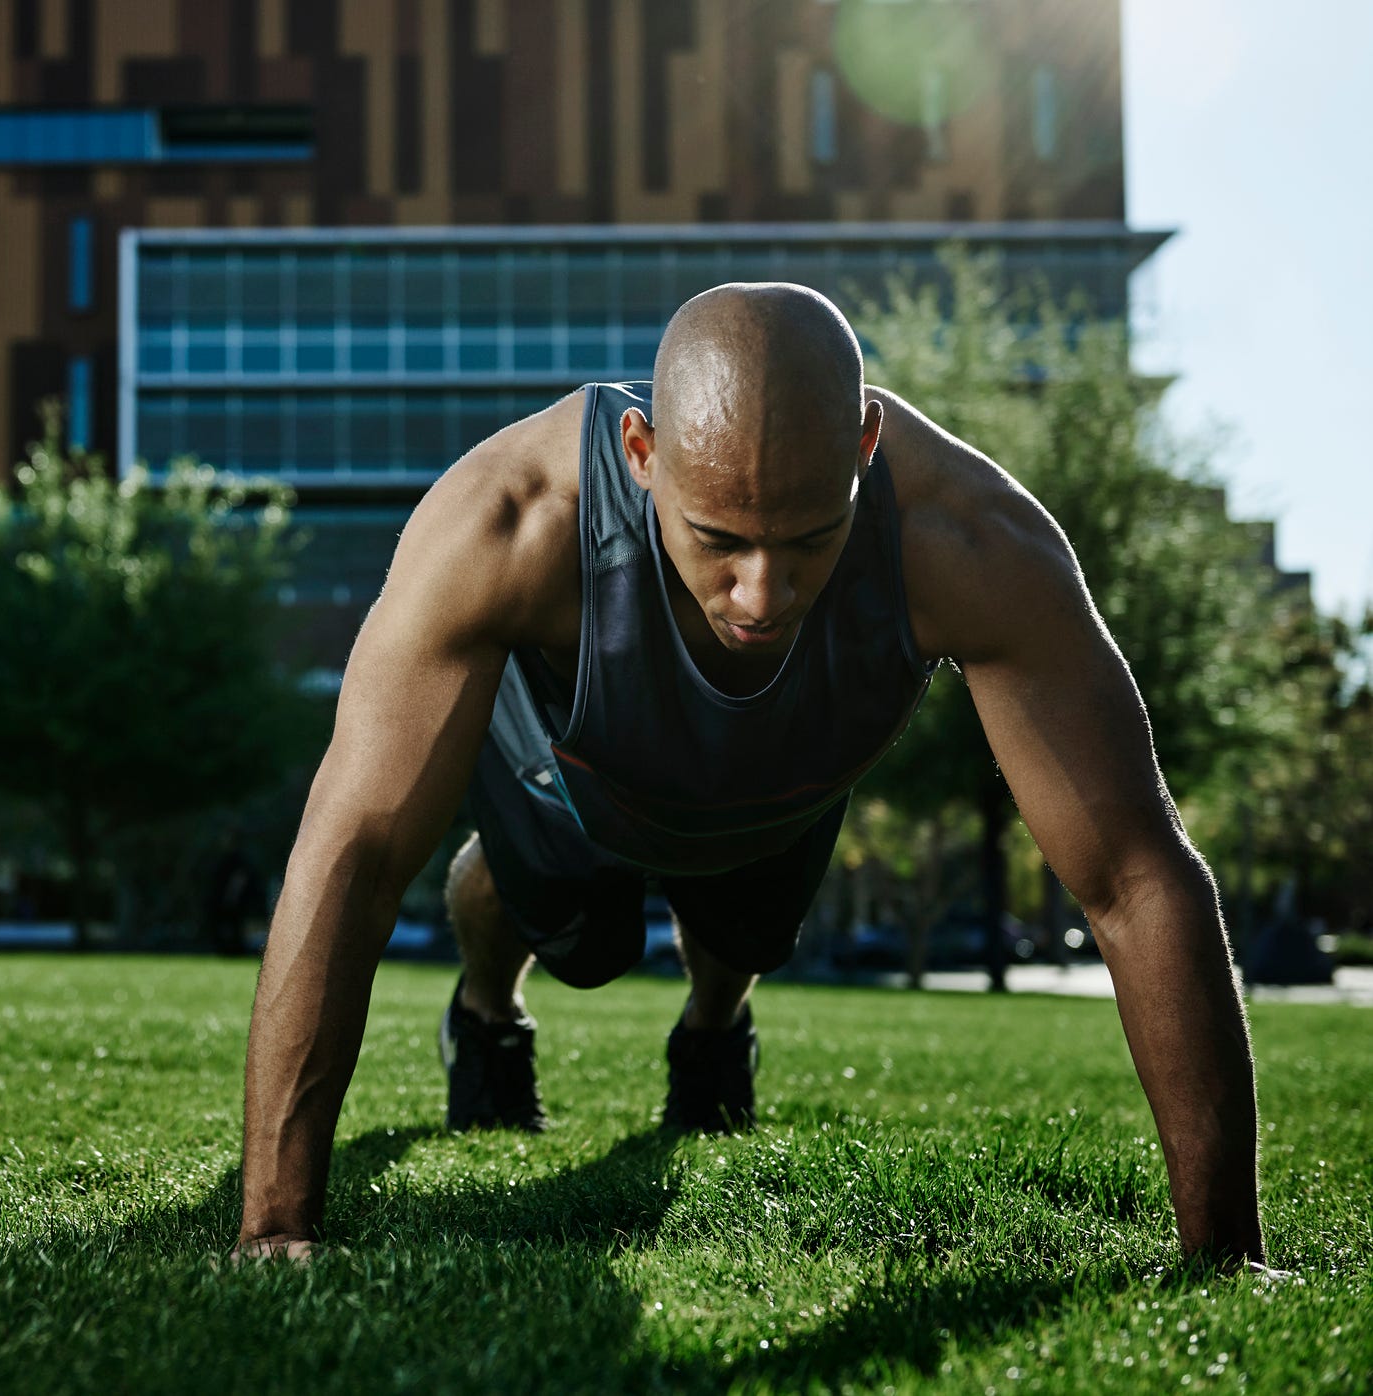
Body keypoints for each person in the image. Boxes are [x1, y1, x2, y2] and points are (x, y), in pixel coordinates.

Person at [232, 283, 1265, 1268]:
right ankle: (489, 1013)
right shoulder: (509, 520)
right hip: (574, 770)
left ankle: (715, 1030)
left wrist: (1227, 1257)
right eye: (718, 540)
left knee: (747, 929)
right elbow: (355, 854)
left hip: (781, 786)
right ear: (641, 453)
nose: (762, 593)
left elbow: (1133, 875)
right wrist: (273, 1224)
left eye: (811, 538)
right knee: (577, 933)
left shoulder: (967, 537)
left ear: (865, 443)